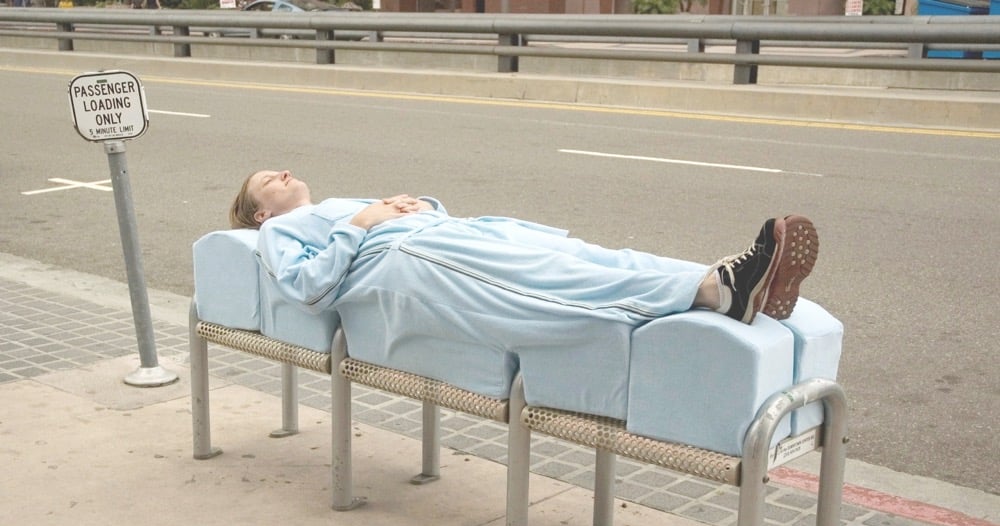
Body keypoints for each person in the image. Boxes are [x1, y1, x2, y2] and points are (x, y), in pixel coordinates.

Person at [229, 170, 817, 335]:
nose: (282, 173)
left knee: (593, 254)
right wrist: (360, 222)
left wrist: (415, 202)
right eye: (266, 181)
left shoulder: (329, 201)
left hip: (446, 233)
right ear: (261, 212)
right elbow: (309, 290)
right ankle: (715, 293)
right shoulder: (279, 233)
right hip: (412, 259)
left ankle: (725, 276)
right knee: (553, 275)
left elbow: (385, 216)